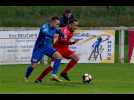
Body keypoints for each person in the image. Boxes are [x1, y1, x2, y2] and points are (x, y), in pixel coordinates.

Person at [24, 16, 64, 82]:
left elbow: (59, 31)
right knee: (33, 65)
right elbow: (45, 33)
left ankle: (53, 75)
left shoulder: (55, 28)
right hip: (39, 48)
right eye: (57, 24)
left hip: (48, 47)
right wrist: (52, 36)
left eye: (58, 24)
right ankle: (26, 77)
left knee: (59, 56)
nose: (58, 25)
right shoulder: (45, 26)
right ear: (52, 22)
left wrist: (63, 34)